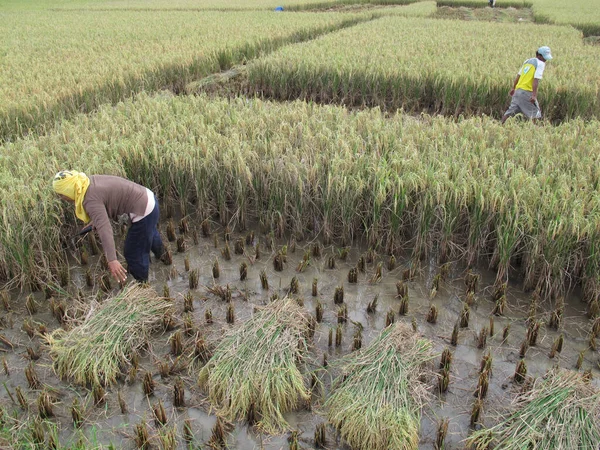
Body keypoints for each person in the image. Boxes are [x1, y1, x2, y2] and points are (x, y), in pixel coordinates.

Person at [53, 170, 164, 283]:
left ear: (69, 190)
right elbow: (106, 201)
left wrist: (112, 260)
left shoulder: (89, 199)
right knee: (148, 232)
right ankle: (162, 255)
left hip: (144, 210)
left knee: (133, 253)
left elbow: (105, 229)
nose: (61, 198)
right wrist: (97, 219)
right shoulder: (86, 182)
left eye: (61, 194)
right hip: (148, 198)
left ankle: (142, 285)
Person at [501, 46, 552, 124]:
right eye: (544, 57)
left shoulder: (527, 61)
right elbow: (536, 80)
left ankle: (501, 125)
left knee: (509, 113)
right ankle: (535, 132)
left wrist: (513, 88)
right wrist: (534, 95)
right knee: (536, 114)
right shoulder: (540, 64)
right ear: (539, 55)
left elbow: (518, 76)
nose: (545, 60)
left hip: (517, 91)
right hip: (527, 92)